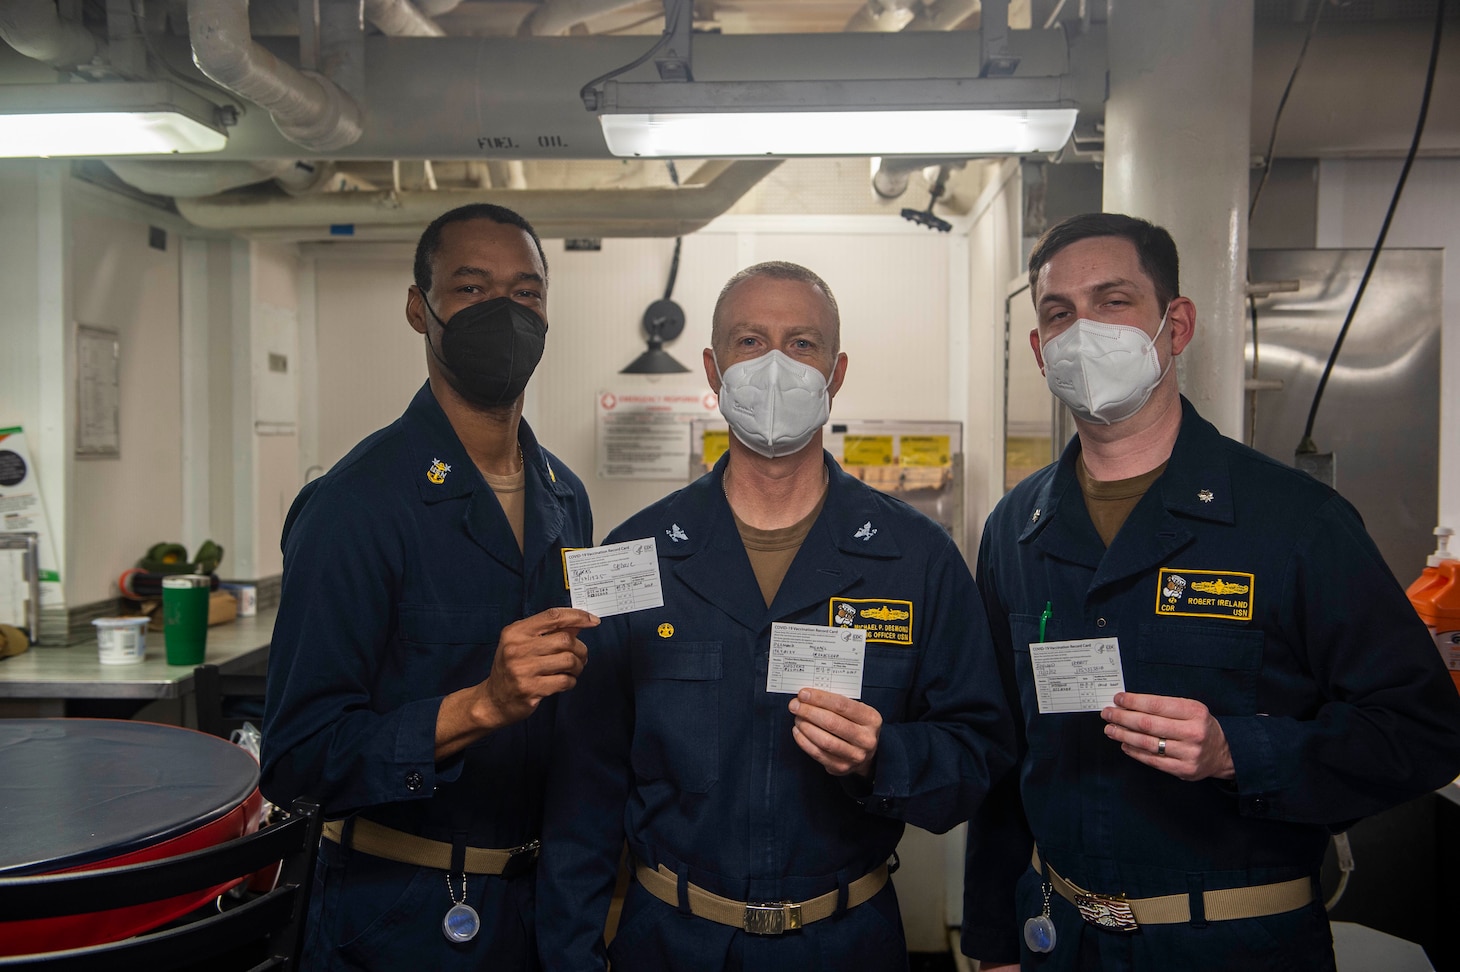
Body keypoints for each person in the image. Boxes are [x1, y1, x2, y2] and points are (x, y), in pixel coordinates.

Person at [961, 212, 1460, 971]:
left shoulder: (1295, 524)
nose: (1082, 330)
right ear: (1038, 349)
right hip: (1060, 941)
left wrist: (1239, 750)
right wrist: (995, 941)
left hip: (1234, 944)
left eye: (1114, 301)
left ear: (1177, 324)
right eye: (1058, 313)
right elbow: (1005, 754)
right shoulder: (1015, 529)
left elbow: (1422, 733)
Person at [537, 261, 1016, 972]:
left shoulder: (918, 559)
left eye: (801, 345)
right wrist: (571, 958)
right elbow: (583, 783)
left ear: (836, 370)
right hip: (670, 944)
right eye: (749, 342)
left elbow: (978, 759)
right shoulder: (629, 556)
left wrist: (884, 758)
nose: (774, 366)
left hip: (847, 944)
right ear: (713, 366)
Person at [260, 203, 598, 971]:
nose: (505, 313)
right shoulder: (355, 504)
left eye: (526, 293)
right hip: (396, 917)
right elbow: (298, 757)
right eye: (472, 290)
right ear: (421, 310)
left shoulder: (564, 494)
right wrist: (479, 706)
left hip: (540, 911)